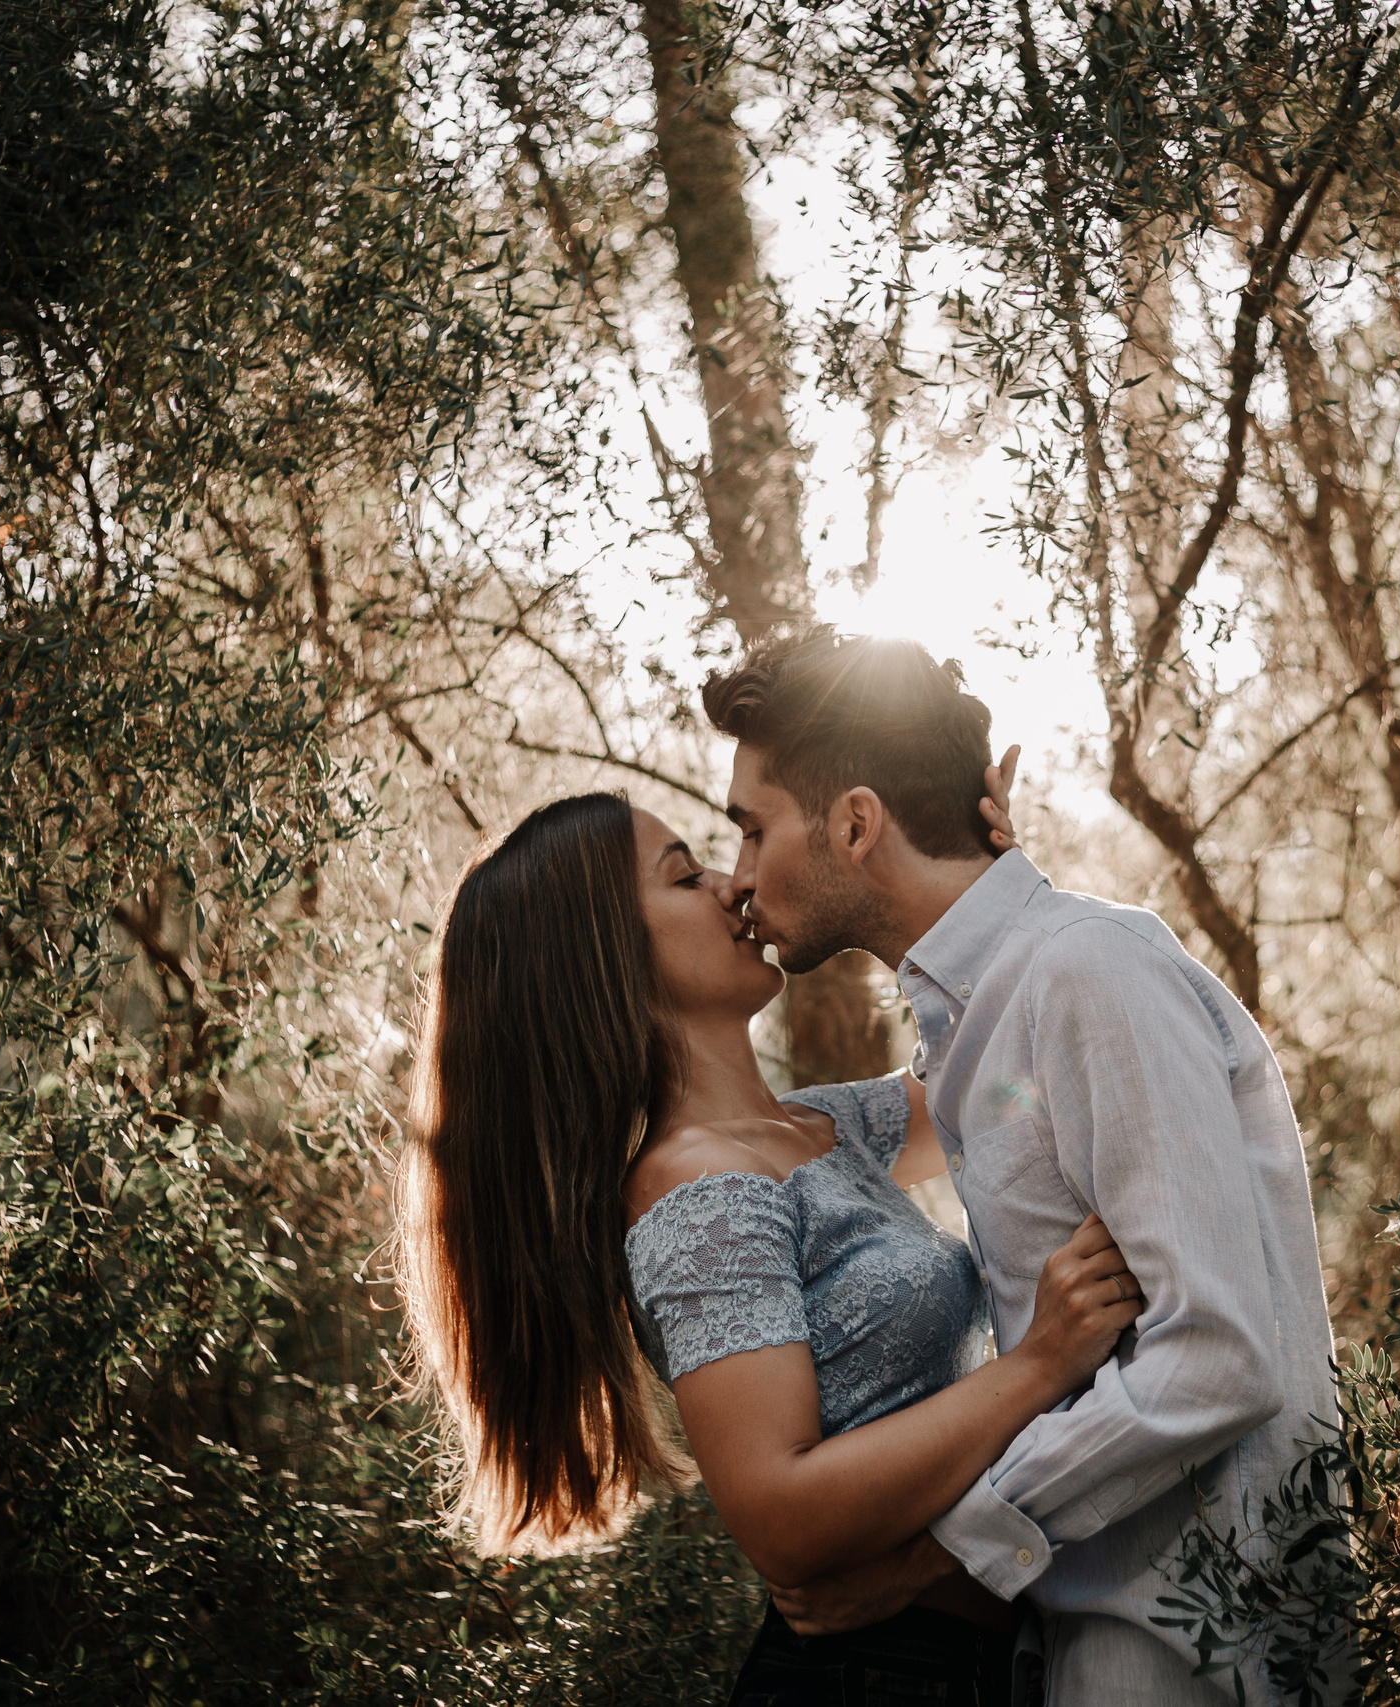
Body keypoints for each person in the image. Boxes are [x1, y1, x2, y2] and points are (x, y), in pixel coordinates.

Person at [394, 771, 1139, 1707]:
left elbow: (1001, 1063)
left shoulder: (820, 1129)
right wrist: (1037, 1366)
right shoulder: (699, 1190)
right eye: (682, 876)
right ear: (605, 958)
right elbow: (781, 1514)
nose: (732, 886)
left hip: (977, 1663)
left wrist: (980, 879)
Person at [707, 628, 1348, 1707]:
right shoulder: (977, 1022)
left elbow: (1218, 1356)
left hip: (1180, 1655)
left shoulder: (1084, 972)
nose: (737, 877)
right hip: (1073, 1643)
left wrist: (929, 1557)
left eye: (751, 829)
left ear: (855, 823)